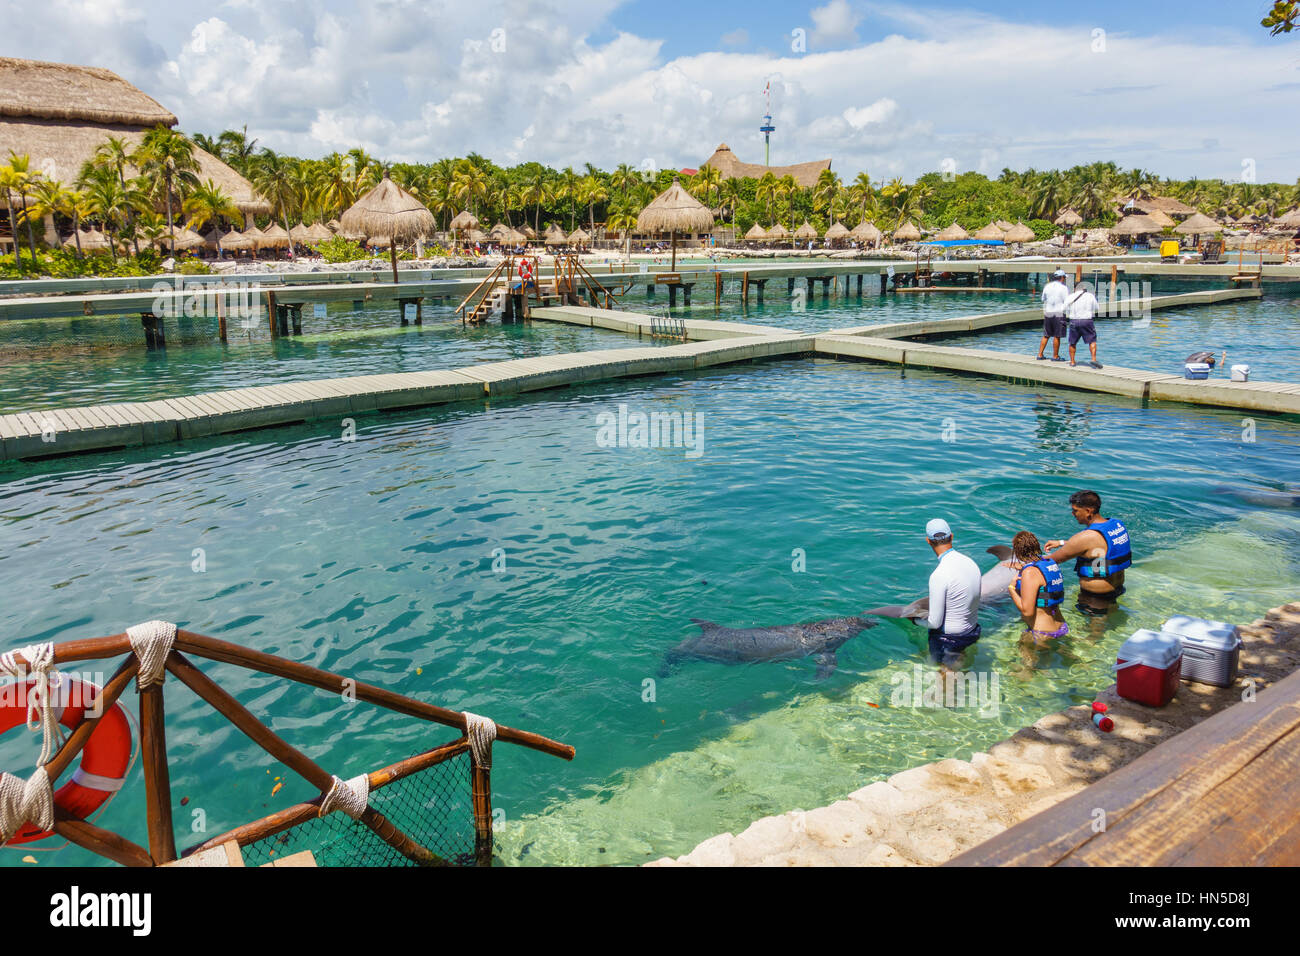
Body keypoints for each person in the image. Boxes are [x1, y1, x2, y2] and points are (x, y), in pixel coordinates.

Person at [1045, 490, 1131, 615]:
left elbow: (1051, 560)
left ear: (1088, 511)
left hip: (1095, 598)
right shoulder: (1116, 525)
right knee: (1108, 623)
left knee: (1093, 633)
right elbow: (1098, 547)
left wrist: (1021, 564)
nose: (1073, 514)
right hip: (1117, 589)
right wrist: (1062, 543)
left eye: (1075, 510)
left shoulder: (1085, 537)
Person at [921, 519, 983, 668]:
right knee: (957, 671)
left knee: (944, 680)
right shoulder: (971, 563)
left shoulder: (939, 575)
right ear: (952, 536)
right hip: (972, 632)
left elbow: (934, 623)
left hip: (948, 640)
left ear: (928, 541)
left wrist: (914, 620)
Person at [1006, 531, 1067, 642]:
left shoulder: (1029, 572)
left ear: (1018, 552)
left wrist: (1011, 589)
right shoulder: (1049, 563)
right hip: (1061, 626)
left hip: (1042, 632)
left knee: (1026, 657)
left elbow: (1027, 612)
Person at [1065, 280, 1102, 368]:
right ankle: (1093, 359)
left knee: (1072, 342)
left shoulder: (1070, 297)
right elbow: (1097, 308)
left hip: (1074, 321)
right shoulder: (1090, 296)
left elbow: (1064, 308)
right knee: (1092, 341)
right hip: (1087, 321)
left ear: (1075, 288)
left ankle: (1073, 362)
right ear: (1084, 288)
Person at [1037, 269, 1069, 362]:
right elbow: (1067, 301)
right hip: (1059, 313)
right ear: (1062, 278)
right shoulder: (1064, 288)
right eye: (1064, 277)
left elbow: (1043, 299)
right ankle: (1055, 356)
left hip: (1048, 312)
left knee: (1046, 335)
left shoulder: (1047, 286)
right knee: (1057, 335)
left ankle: (1040, 354)